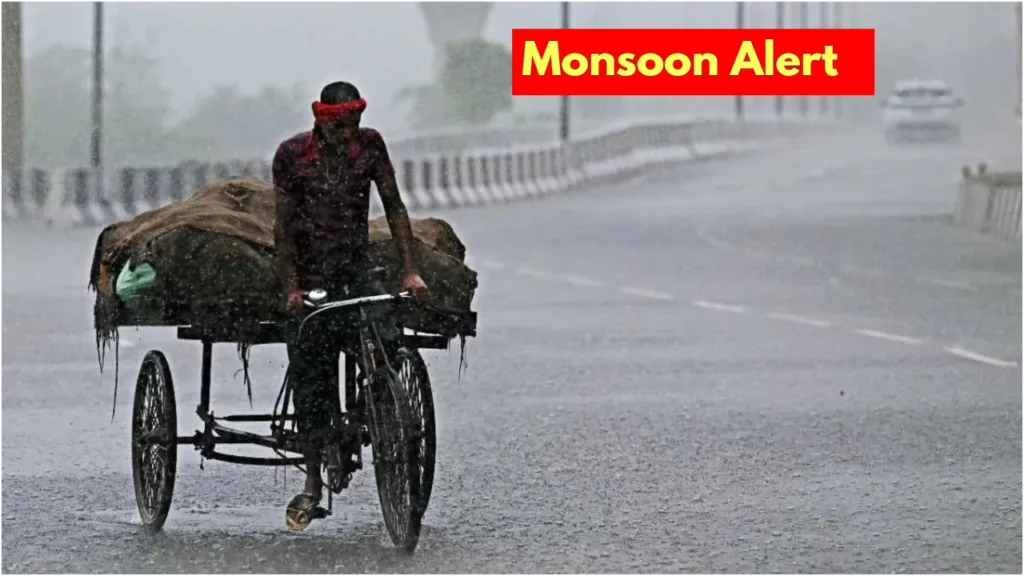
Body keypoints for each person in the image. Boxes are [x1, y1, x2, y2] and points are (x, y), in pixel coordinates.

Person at [272, 80, 428, 531]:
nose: (349, 133)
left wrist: (410, 271)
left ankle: (378, 406)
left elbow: (394, 206)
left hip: (357, 272)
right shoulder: (292, 155)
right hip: (311, 278)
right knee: (311, 373)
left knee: (387, 340)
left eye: (355, 123)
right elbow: (283, 227)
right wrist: (292, 289)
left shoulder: (371, 145)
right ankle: (312, 478)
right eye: (341, 125)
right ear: (321, 120)